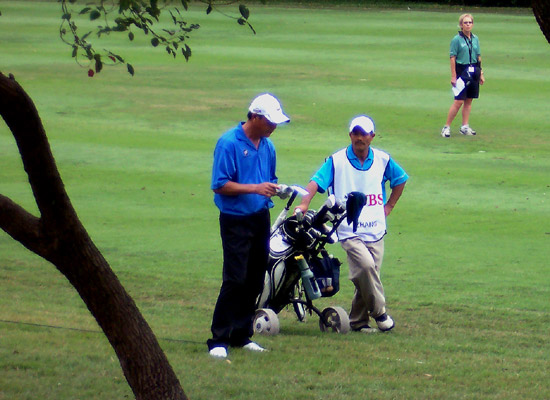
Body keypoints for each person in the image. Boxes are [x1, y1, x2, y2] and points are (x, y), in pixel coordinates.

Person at [296, 115, 408, 333]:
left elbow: (400, 179)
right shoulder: (337, 161)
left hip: (375, 228)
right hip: (348, 229)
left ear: (372, 137)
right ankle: (380, 313)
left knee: (368, 276)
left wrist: (389, 207)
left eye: (364, 134)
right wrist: (303, 204)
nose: (359, 138)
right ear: (350, 135)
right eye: (355, 133)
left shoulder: (383, 160)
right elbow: (315, 182)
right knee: (366, 267)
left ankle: (357, 322)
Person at [207, 93, 290, 359]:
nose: (273, 127)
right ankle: (219, 338)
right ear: (254, 117)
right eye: (269, 122)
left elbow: (269, 179)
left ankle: (241, 335)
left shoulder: (268, 146)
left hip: (260, 217)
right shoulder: (229, 143)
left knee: (255, 279)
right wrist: (255, 188)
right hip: (235, 219)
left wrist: (276, 189)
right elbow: (220, 184)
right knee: (235, 279)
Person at [441, 13, 485, 138]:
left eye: (470, 22)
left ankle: (464, 126)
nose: (468, 25)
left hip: (474, 70)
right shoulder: (456, 39)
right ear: (461, 25)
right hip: (462, 71)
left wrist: (481, 73)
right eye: (465, 23)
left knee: (469, 100)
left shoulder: (475, 38)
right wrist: (453, 76)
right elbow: (452, 57)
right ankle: (446, 127)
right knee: (458, 101)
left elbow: (478, 57)